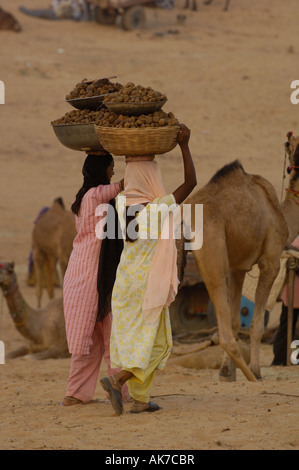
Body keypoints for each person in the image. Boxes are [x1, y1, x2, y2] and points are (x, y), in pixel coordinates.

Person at [100, 123, 197, 415]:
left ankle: (141, 400)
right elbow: (191, 183)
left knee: (145, 342)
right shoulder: (155, 209)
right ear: (150, 178)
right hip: (146, 288)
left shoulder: (120, 204)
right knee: (160, 345)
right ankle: (119, 380)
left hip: (126, 285)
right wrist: (184, 145)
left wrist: (132, 160)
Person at [61, 152, 129, 406]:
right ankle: (120, 392)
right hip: (93, 277)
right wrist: (136, 159)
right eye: (111, 167)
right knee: (112, 335)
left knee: (94, 342)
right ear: (101, 171)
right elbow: (125, 185)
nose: (113, 171)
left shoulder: (82, 197)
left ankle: (75, 394)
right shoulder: (94, 195)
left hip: (80, 274)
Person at [272, 237, 299, 366]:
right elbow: (285, 257)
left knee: (294, 331)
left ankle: (294, 360)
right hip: (291, 295)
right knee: (285, 328)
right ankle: (280, 360)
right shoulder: (295, 242)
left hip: (292, 295)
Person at [19, 0, 93, 22]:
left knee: (41, 13)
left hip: (66, 13)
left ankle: (25, 10)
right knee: (41, 12)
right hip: (66, 13)